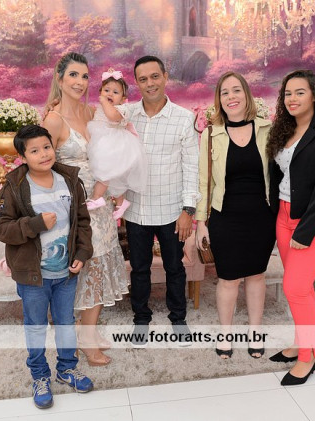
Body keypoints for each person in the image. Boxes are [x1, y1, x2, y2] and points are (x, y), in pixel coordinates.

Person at [0, 124, 94, 409]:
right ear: (23, 157)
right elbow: (0, 228)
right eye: (34, 151)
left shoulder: (69, 181)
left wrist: (82, 252)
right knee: (36, 326)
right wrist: (35, 224)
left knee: (66, 323)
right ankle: (39, 376)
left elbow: (82, 222)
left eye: (47, 147)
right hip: (33, 276)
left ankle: (67, 369)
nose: (44, 154)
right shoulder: (14, 187)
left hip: (66, 273)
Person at [43, 52, 129, 367]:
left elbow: (113, 140)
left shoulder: (92, 112)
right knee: (80, 270)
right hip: (73, 208)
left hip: (100, 205)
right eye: (73, 75)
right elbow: (41, 166)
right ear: (60, 78)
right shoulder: (53, 120)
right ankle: (81, 337)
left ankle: (87, 331)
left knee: (100, 267)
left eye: (84, 76)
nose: (80, 82)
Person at [267, 70, 315, 385]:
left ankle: (307, 358)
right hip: (284, 217)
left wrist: (305, 231)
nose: (292, 99)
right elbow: (277, 177)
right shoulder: (283, 129)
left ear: (314, 94)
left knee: (295, 287)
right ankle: (304, 345)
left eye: (300, 92)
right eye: (287, 93)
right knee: (299, 288)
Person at [195, 71, 275, 359]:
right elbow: (204, 182)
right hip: (225, 217)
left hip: (261, 218)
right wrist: (201, 223)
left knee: (256, 276)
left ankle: (255, 332)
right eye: (225, 92)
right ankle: (225, 334)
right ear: (219, 99)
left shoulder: (267, 129)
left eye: (236, 90)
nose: (231, 96)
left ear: (247, 95)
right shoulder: (211, 134)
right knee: (228, 278)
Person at [124, 55, 199, 347]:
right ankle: (141, 319)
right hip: (136, 209)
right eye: (143, 79)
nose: (150, 84)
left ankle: (178, 319)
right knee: (139, 269)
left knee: (174, 268)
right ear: (136, 83)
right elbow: (97, 119)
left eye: (155, 76)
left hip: (171, 211)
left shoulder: (183, 118)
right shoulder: (126, 116)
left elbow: (191, 167)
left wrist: (188, 209)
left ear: (165, 77)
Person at [86, 68, 147, 220]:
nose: (110, 94)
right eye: (106, 90)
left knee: (105, 172)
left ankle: (97, 197)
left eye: (115, 92)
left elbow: (112, 116)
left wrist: (103, 101)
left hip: (113, 143)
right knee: (115, 177)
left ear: (122, 98)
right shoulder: (99, 107)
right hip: (104, 139)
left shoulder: (121, 108)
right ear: (100, 91)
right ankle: (121, 203)